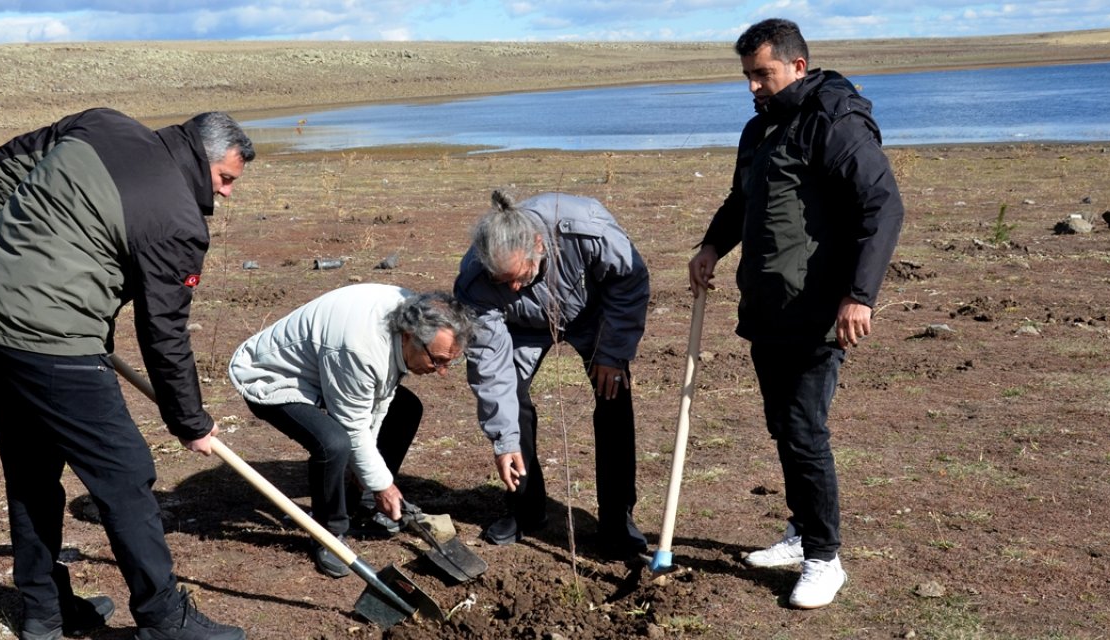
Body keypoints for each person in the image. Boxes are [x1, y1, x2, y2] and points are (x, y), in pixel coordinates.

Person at [0, 108, 254, 640]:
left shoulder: (103, 124)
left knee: (32, 469)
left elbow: (6, 159)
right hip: (52, 344)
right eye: (225, 179)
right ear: (203, 159)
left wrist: (13, 250)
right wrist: (191, 422)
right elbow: (165, 334)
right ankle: (163, 619)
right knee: (126, 476)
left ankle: (45, 610)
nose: (225, 195)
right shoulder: (178, 219)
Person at [687, 18, 904, 609]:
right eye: (748, 77)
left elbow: (882, 208)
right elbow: (742, 199)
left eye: (763, 74)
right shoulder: (760, 129)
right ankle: (803, 530)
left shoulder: (834, 121)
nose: (753, 86)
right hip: (767, 307)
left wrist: (860, 295)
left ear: (798, 66)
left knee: (805, 431)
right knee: (784, 427)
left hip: (816, 312)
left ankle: (824, 559)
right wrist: (711, 246)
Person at [227, 285, 476, 579]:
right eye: (437, 360)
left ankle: (363, 501)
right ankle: (328, 533)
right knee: (333, 442)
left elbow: (381, 397)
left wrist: (372, 479)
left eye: (451, 361)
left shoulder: (414, 314)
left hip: (327, 370)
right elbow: (354, 425)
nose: (443, 371)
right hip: (272, 378)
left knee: (406, 410)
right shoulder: (361, 347)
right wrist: (383, 483)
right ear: (409, 336)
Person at [454, 190, 650, 560]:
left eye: (518, 277)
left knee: (614, 394)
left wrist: (611, 352)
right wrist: (504, 440)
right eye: (502, 282)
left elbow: (629, 281)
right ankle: (526, 510)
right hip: (521, 329)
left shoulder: (586, 229)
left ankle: (617, 522)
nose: (511, 288)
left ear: (539, 246)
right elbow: (489, 365)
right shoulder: (476, 279)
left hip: (594, 317)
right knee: (512, 399)